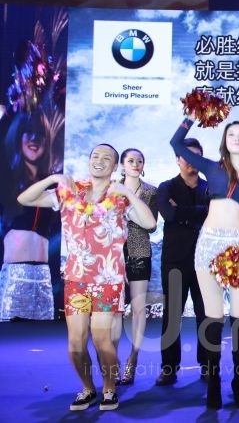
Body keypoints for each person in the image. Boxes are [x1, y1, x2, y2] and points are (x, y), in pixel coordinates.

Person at [16, 144, 156, 411]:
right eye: (95, 156)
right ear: (89, 160)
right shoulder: (70, 191)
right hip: (77, 279)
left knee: (102, 339)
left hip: (108, 279)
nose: (99, 161)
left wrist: (127, 191)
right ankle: (88, 388)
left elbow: (149, 223)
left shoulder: (118, 196)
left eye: (106, 158)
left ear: (114, 166)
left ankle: (109, 388)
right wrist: (52, 178)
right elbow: (25, 199)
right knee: (75, 343)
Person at [170, 116, 239, 409]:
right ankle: (213, 382)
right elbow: (176, 143)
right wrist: (190, 117)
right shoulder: (212, 168)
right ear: (224, 140)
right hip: (208, 245)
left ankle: (238, 381)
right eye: (231, 133)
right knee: (212, 318)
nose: (236, 137)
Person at [155, 137, 210, 386]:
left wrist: (183, 213)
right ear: (177, 160)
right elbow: (169, 214)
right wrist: (200, 211)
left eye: (196, 156)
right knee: (172, 316)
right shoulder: (166, 187)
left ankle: (208, 365)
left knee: (206, 314)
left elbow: (213, 215)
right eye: (186, 156)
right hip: (175, 260)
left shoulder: (210, 188)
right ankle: (169, 368)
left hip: (205, 260)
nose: (191, 161)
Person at [0, 112, 57, 321]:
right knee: (11, 332)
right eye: (28, 132)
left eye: (40, 134)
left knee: (41, 333)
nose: (34, 139)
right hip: (15, 271)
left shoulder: (53, 181)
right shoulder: (6, 176)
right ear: (18, 137)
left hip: (43, 273)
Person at [110, 148, 158, 385]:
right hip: (112, 253)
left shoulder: (151, 191)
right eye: (131, 160)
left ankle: (133, 358)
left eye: (140, 161)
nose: (136, 164)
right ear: (122, 165)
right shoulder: (111, 189)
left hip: (140, 251)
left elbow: (152, 226)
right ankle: (113, 362)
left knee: (138, 308)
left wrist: (130, 210)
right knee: (115, 310)